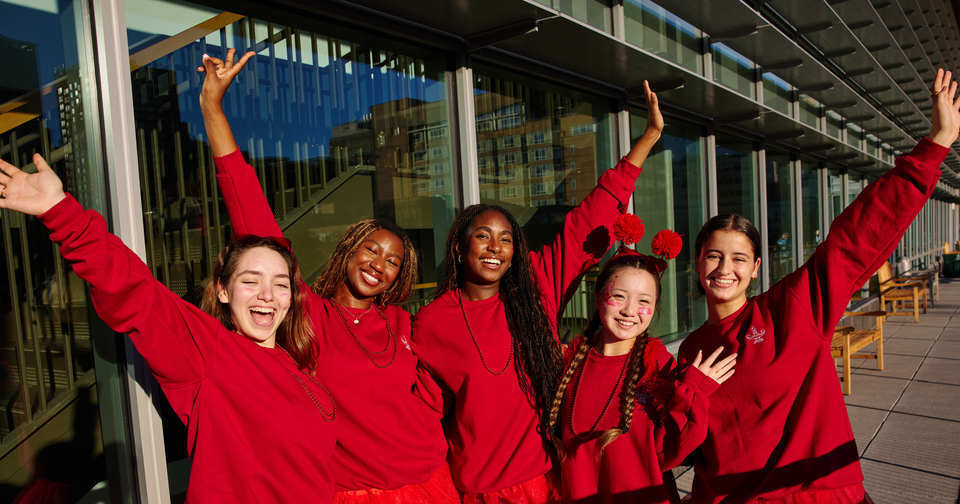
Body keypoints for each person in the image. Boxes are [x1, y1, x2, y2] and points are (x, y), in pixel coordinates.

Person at [677, 69, 960, 503]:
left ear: (755, 268)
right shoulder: (692, 348)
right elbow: (696, 448)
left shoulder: (790, 308)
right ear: (698, 263)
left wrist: (934, 146)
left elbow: (855, 238)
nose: (724, 268)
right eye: (713, 255)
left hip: (814, 494)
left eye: (738, 258)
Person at [197, 49, 458, 502]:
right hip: (355, 492)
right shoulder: (308, 314)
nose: (378, 263)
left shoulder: (402, 325)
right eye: (371, 249)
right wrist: (213, 109)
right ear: (348, 250)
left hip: (430, 482)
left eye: (393, 261)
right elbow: (253, 219)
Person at [0, 154, 336, 502]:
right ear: (223, 291)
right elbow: (136, 291)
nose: (267, 295)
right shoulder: (209, 353)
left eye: (280, 284)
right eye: (250, 281)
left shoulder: (293, 359)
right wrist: (59, 211)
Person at [412, 82, 665, 502]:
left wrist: (648, 140)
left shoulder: (535, 289)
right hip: (480, 490)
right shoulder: (432, 321)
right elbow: (420, 414)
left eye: (506, 239)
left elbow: (590, 221)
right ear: (459, 246)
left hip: (546, 479)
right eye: (482, 236)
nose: (494, 248)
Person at [547, 225, 736, 504]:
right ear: (598, 298)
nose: (629, 311)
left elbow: (670, 452)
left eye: (643, 301)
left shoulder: (656, 365)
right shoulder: (570, 362)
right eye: (619, 296)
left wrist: (692, 394)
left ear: (655, 307)